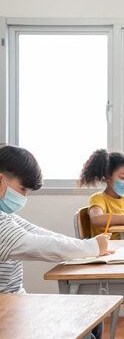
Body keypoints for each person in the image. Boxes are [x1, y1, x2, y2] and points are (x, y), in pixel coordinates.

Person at [0, 144, 112, 339]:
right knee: (85, 332)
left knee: (93, 315)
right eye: (23, 188)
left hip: (16, 301)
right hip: (6, 309)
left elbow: (38, 232)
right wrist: (91, 247)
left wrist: (89, 246)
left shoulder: (4, 214)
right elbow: (35, 245)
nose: (24, 197)